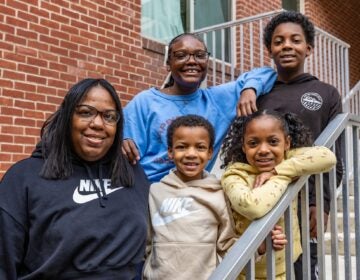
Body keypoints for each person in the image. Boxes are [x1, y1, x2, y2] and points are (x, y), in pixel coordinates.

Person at [0, 78, 150, 279]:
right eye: (85, 112)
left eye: (109, 116)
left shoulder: (133, 174)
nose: (97, 123)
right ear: (67, 118)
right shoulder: (24, 179)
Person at [144, 114, 287, 280]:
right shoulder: (155, 192)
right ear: (170, 151)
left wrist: (260, 247)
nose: (191, 154)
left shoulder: (219, 192)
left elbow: (227, 245)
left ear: (210, 152)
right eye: (182, 147)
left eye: (200, 147)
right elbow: (144, 243)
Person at [122, 32, 277, 183]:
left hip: (193, 192)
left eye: (199, 55)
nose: (191, 61)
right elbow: (124, 150)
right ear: (168, 64)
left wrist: (249, 89)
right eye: (181, 55)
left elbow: (267, 73)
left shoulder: (217, 100)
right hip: (148, 191)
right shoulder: (145, 102)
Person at [256, 11, 343, 279]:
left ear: (309, 48)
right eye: (279, 41)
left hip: (306, 200)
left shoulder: (326, 93)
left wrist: (323, 203)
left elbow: (334, 155)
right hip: (263, 197)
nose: (287, 46)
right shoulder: (260, 93)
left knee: (303, 268)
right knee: (265, 267)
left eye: (295, 40)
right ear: (269, 49)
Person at [220, 110, 337, 279]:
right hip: (247, 270)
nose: (263, 150)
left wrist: (278, 171)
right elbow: (253, 206)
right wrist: (284, 176)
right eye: (253, 143)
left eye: (273, 142)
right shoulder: (235, 174)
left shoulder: (285, 161)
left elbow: (328, 157)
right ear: (244, 146)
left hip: (285, 266)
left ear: (287, 143)